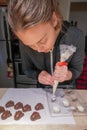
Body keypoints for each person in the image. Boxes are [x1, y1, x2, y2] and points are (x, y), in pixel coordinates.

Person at [7, 0, 85, 88]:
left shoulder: (76, 36)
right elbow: (27, 69)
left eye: (42, 41)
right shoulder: (25, 40)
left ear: (54, 20)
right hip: (42, 90)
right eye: (30, 45)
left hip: (68, 90)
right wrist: (38, 75)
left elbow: (77, 70)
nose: (39, 50)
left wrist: (67, 75)